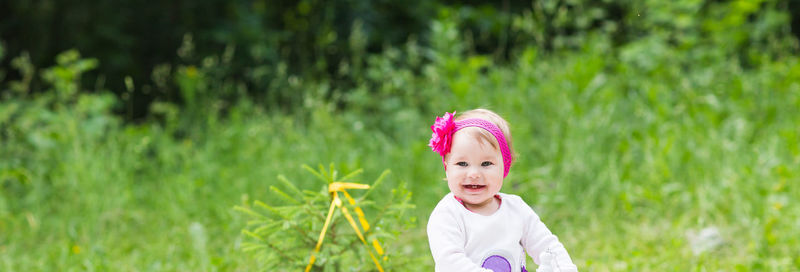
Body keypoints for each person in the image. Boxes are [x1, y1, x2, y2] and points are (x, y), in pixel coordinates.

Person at [426, 109, 577, 272]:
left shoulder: (516, 208)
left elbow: (547, 245)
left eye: (486, 164)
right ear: (447, 168)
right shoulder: (448, 214)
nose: (474, 174)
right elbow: (450, 262)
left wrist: (563, 267)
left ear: (505, 166)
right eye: (462, 164)